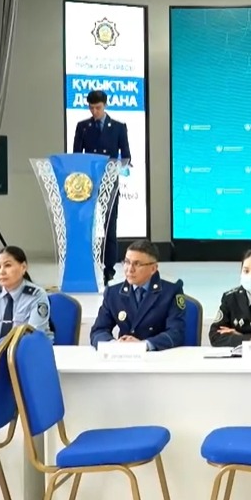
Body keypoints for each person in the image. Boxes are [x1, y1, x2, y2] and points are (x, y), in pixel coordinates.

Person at [72, 90, 131, 285]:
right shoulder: (83, 127)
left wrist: (118, 166)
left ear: (105, 105)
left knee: (110, 225)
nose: (94, 111)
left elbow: (126, 156)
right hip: (87, 182)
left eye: (97, 107)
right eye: (91, 108)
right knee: (85, 225)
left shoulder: (119, 127)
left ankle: (109, 268)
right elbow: (76, 156)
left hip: (109, 182)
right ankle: (85, 265)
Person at [90, 239, 185, 351]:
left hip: (156, 355)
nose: (130, 269)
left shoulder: (171, 290)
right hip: (123, 355)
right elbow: (98, 330)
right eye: (127, 262)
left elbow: (176, 333)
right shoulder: (114, 291)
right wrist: (114, 345)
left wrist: (144, 345)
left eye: (137, 264)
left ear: (153, 268)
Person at [0, 246, 52, 353]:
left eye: (7, 265)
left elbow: (33, 338)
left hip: (32, 355)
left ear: (23, 267)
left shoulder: (36, 295)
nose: (1, 272)